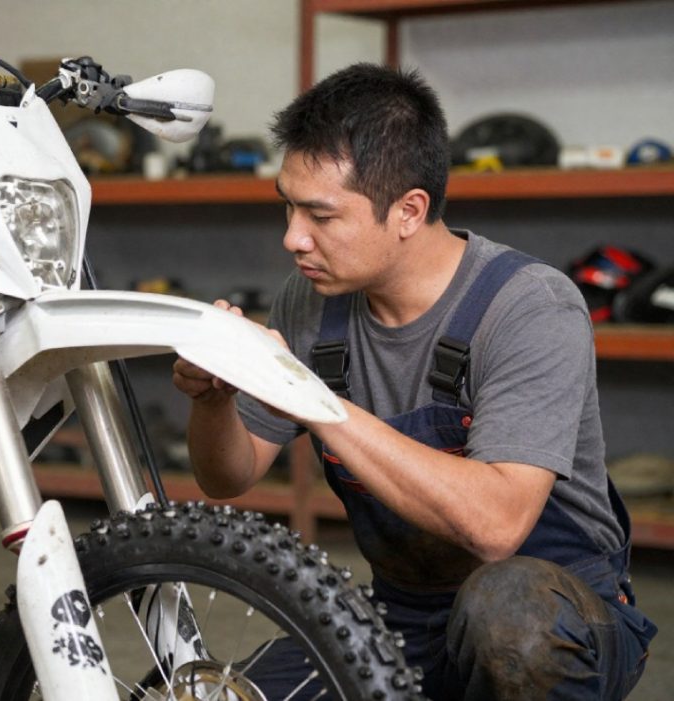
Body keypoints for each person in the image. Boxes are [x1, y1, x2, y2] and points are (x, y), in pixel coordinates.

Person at [172, 63, 656, 700]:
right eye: (288, 208)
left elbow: (496, 526)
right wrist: (217, 398)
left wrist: (311, 399)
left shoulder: (529, 306)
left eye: (321, 215)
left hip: (560, 611)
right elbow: (227, 477)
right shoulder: (312, 301)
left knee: (510, 615)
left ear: (408, 210)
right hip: (404, 621)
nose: (293, 238)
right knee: (235, 695)